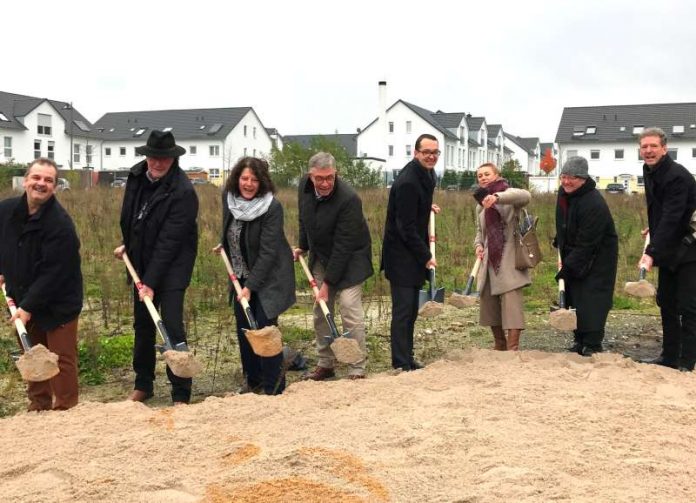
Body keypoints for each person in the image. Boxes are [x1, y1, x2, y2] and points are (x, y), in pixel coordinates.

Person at [114, 130, 198, 404]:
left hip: (174, 265)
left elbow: (170, 241)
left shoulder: (183, 191)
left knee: (171, 325)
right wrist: (129, 244)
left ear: (173, 159)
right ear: (147, 156)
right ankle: (143, 384)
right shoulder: (137, 176)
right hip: (141, 262)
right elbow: (131, 215)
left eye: (163, 159)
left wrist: (150, 281)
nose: (158, 163)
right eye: (154, 157)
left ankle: (181, 392)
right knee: (143, 325)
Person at [0, 158, 83, 411]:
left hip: (59, 302)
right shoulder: (5, 211)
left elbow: (54, 273)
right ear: (25, 180)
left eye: (48, 180)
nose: (41, 184)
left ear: (55, 187)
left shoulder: (60, 225)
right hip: (21, 295)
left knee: (59, 359)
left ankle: (66, 410)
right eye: (36, 177)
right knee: (32, 353)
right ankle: (39, 406)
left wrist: (27, 307)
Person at [214, 157, 295, 395]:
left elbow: (269, 252)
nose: (248, 184)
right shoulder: (229, 200)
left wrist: (251, 286)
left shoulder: (271, 207)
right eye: (244, 178)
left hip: (268, 278)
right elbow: (230, 230)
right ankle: (254, 381)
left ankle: (274, 386)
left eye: (254, 180)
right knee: (245, 329)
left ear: (262, 183)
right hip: (239, 275)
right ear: (237, 179)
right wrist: (223, 246)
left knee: (265, 329)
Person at [293, 152, 373, 380]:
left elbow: (344, 245)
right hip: (322, 255)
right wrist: (303, 245)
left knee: (348, 307)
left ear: (335, 173)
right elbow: (303, 218)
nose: (325, 183)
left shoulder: (349, 199)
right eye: (320, 178)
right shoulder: (304, 187)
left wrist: (328, 283)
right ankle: (325, 363)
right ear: (311, 176)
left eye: (330, 177)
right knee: (321, 310)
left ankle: (357, 366)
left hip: (352, 258)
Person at [638, 127, 696, 371]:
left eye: (653, 146)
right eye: (644, 147)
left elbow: (674, 216)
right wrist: (652, 230)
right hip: (669, 246)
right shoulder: (650, 171)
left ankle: (687, 360)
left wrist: (651, 251)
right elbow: (662, 212)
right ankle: (670, 356)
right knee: (666, 302)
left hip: (690, 247)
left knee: (688, 306)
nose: (649, 151)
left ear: (664, 148)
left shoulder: (676, 176)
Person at [381, 134, 441, 370]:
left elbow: (415, 206)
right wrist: (426, 256)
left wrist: (427, 207)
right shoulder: (408, 181)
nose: (431, 156)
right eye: (426, 152)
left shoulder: (428, 174)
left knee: (410, 312)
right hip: (401, 257)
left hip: (413, 254)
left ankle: (407, 358)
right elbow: (404, 227)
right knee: (404, 312)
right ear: (416, 153)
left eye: (435, 152)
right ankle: (401, 362)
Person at [553, 156, 618, 356]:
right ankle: (579, 340)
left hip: (597, 257)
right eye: (563, 176)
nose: (566, 181)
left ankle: (592, 343)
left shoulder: (593, 203)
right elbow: (565, 221)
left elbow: (588, 242)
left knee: (592, 299)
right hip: (574, 251)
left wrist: (567, 269)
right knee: (575, 296)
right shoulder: (564, 194)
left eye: (571, 177)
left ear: (582, 178)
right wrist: (560, 240)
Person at [473, 162, 530, 351]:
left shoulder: (509, 194)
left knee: (511, 300)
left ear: (497, 175)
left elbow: (525, 195)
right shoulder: (480, 205)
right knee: (488, 300)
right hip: (489, 257)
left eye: (487, 174)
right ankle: (499, 344)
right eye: (479, 175)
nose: (483, 178)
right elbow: (479, 232)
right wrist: (478, 245)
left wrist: (497, 197)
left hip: (510, 253)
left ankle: (513, 347)